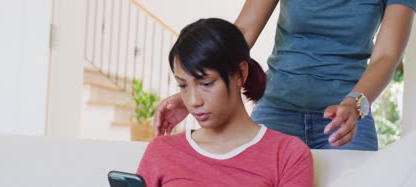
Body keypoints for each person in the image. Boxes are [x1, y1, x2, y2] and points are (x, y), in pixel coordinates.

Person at [17, 18, 313, 187]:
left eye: (206, 83)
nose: (193, 100)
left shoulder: (288, 154)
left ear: (240, 74)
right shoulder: (163, 149)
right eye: (183, 85)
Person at [155, 0, 415, 151]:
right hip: (278, 109)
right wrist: (194, 90)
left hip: (346, 119)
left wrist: (355, 102)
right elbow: (242, 33)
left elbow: (387, 55)